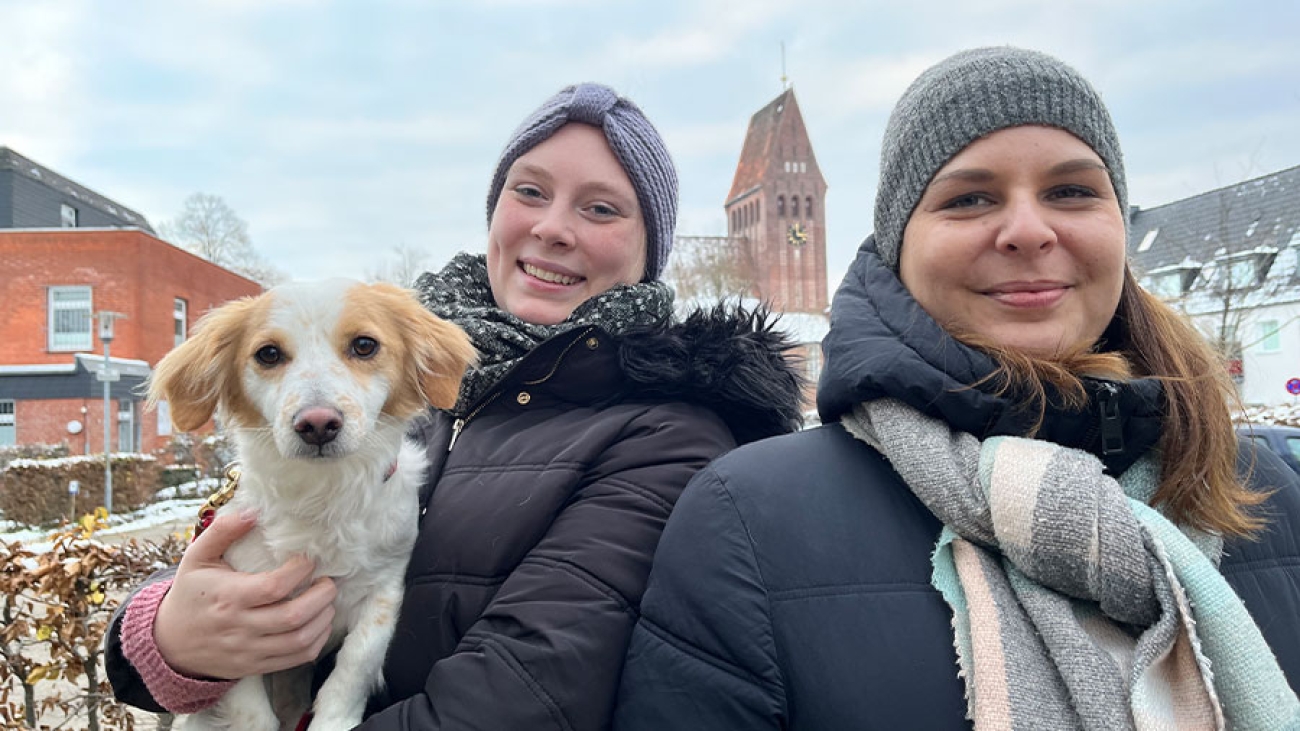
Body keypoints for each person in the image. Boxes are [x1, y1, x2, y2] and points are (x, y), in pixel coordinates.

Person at [613, 48, 1300, 730]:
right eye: (969, 197)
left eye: (1072, 190)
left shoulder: (1273, 494)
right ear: (896, 249)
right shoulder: (748, 522)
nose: (1029, 231)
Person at [105, 82, 805, 729]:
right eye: (530, 190)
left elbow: (517, 698)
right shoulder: (412, 389)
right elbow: (248, 553)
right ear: (496, 211)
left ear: (650, 246)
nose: (553, 227)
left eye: (600, 207)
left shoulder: (667, 436)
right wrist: (165, 633)